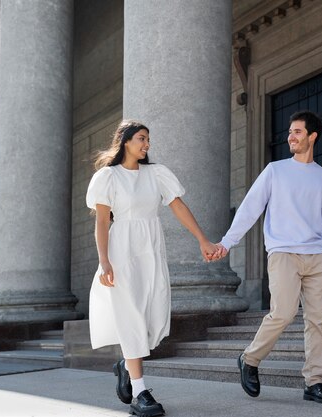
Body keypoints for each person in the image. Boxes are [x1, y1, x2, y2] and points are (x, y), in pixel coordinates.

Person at [86, 119, 217, 417]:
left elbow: (179, 206)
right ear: (126, 141)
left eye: (148, 140)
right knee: (130, 313)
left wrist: (202, 240)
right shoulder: (108, 177)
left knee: (152, 317)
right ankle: (140, 392)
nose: (147, 144)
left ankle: (126, 364)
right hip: (122, 252)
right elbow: (102, 222)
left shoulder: (156, 174)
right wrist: (104, 260)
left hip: (151, 250)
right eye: (142, 138)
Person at [214, 110, 322, 404]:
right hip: (283, 253)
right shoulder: (275, 170)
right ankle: (250, 359)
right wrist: (227, 242)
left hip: (318, 257)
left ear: (312, 136)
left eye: (297, 132)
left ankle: (314, 382)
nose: (290, 137)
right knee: (283, 312)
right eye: (290, 132)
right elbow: (250, 209)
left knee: (317, 321)